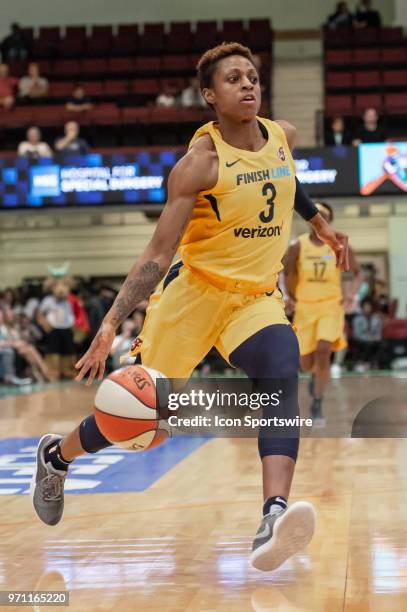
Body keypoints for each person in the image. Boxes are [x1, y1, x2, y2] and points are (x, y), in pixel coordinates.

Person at [31, 42, 349, 572]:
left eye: (252, 77)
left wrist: (320, 225)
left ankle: (273, 515)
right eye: (232, 79)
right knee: (139, 414)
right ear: (209, 95)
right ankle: (56, 456)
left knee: (280, 369)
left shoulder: (282, 136)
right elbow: (157, 255)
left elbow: (288, 181)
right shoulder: (198, 165)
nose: (247, 85)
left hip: (254, 298)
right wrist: (110, 324)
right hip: (193, 295)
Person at [284, 202, 359, 423]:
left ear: (329, 220)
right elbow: (286, 274)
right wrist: (288, 298)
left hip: (330, 305)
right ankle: (316, 376)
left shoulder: (339, 245)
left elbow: (357, 273)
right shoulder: (298, 246)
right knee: (306, 363)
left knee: (324, 349)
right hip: (305, 307)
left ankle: (317, 401)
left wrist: (351, 294)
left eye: (324, 215)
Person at [352, 298, 382, 371]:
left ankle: (376, 363)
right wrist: (369, 338)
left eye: (369, 307)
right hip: (361, 339)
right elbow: (357, 334)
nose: (367, 309)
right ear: (362, 308)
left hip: (373, 339)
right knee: (369, 344)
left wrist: (376, 338)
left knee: (383, 344)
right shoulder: (357, 319)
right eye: (365, 307)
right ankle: (366, 363)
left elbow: (378, 332)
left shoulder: (376, 318)